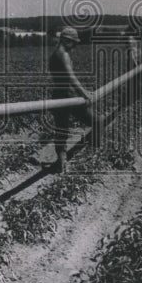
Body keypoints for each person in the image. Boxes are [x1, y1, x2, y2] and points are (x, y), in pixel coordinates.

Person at [45, 26, 95, 173]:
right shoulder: (63, 54)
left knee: (62, 131)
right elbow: (71, 78)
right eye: (74, 43)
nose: (75, 46)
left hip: (59, 95)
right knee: (96, 122)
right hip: (68, 96)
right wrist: (85, 93)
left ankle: (61, 163)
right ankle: (93, 153)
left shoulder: (57, 53)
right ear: (67, 41)